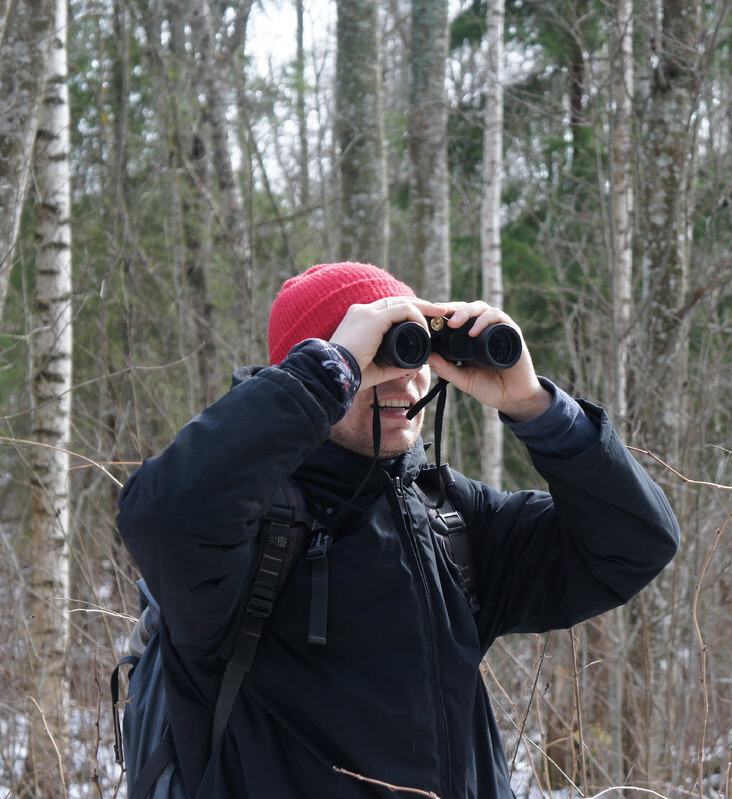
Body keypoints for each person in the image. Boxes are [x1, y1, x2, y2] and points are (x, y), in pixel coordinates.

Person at [117, 262, 680, 798]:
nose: (403, 379)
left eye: (413, 351)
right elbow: (164, 518)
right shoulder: (249, 529)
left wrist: (537, 407)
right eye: (376, 356)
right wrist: (330, 370)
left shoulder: (448, 516)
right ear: (315, 372)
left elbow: (632, 545)